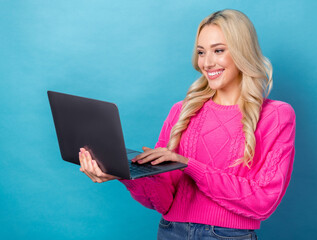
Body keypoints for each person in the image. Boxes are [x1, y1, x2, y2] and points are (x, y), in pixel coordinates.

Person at [78, 9, 296, 240]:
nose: (207, 63)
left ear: (243, 51)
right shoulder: (182, 111)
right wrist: (124, 173)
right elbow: (162, 201)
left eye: (219, 50)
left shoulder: (276, 115)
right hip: (171, 232)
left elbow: (263, 202)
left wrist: (189, 165)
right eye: (201, 52)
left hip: (228, 235)